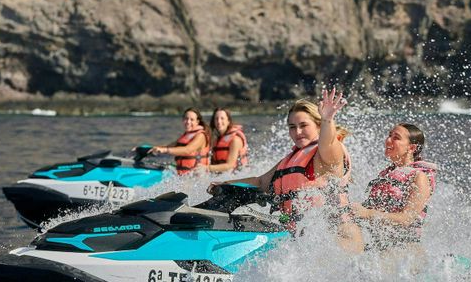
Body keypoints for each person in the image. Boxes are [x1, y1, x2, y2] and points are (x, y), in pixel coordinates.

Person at [209, 88, 362, 251]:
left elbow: (328, 142)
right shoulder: (290, 159)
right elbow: (260, 182)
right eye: (292, 127)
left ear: (318, 126)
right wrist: (225, 183)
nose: (297, 132)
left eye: (303, 125)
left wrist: (327, 120)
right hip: (305, 243)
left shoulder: (326, 154)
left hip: (340, 241)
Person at [351, 123, 438, 252]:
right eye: (389, 135)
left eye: (396, 137)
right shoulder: (386, 174)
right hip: (379, 245)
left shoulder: (419, 177)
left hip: (404, 251)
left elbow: (406, 219)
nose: (388, 140)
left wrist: (366, 213)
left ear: (412, 148)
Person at [151, 108, 210, 175]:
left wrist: (165, 150)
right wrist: (150, 148)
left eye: (192, 119)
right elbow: (167, 147)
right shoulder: (185, 136)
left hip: (196, 177)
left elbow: (188, 150)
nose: (188, 122)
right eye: (186, 118)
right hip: (183, 176)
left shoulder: (201, 136)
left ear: (197, 122)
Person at [206, 107, 248, 173]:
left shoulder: (235, 140)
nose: (219, 122)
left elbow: (230, 166)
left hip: (237, 176)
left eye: (222, 118)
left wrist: (206, 168)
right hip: (221, 176)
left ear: (228, 121)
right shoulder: (216, 140)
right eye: (216, 119)